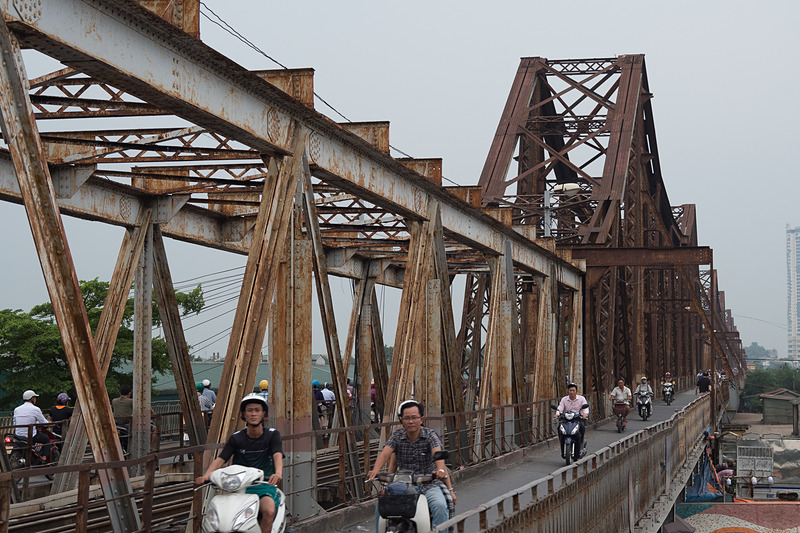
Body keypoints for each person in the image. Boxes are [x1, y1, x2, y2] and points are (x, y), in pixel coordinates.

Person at [196, 394, 283, 533]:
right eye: (249, 410)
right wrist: (206, 476)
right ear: (244, 414)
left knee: (269, 510)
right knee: (220, 516)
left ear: (263, 413)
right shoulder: (236, 437)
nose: (253, 413)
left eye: (257, 410)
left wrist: (278, 473)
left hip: (263, 486)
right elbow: (221, 459)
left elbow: (277, 454)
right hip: (238, 488)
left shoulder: (272, 435)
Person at [367, 400, 454, 531]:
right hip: (403, 484)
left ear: (421, 419)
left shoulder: (430, 435)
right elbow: (385, 453)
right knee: (381, 504)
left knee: (440, 506)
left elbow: (438, 453)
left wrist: (440, 469)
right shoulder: (397, 436)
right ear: (401, 420)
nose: (410, 421)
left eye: (414, 418)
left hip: (428, 483)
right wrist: (375, 470)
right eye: (407, 418)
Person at [553, 383, 589, 458]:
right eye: (570, 390)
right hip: (566, 419)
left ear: (576, 391)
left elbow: (585, 408)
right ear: (568, 391)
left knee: (582, 426)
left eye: (573, 390)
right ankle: (562, 441)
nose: (572, 392)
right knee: (559, 427)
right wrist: (557, 414)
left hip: (577, 418)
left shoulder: (581, 399)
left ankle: (581, 443)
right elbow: (560, 408)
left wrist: (585, 414)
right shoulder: (564, 399)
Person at [13, 390, 52, 455]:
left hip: (18, 435)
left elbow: (15, 422)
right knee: (46, 439)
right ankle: (44, 459)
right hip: (30, 435)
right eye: (35, 398)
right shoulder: (35, 409)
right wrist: (49, 423)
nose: (35, 399)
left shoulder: (16, 409)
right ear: (32, 398)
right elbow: (43, 422)